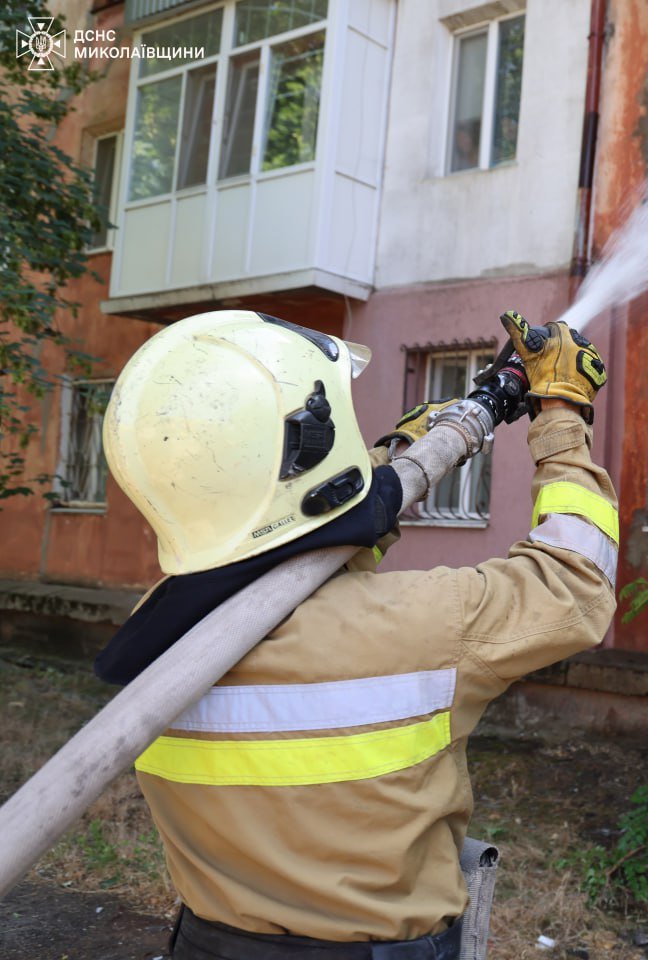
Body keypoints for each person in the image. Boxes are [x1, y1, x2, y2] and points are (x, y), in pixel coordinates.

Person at [95, 309, 617, 959]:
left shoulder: (156, 637)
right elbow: (577, 584)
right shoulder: (426, 626)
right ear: (311, 450)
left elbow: (285, 557)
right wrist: (563, 418)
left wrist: (386, 466)